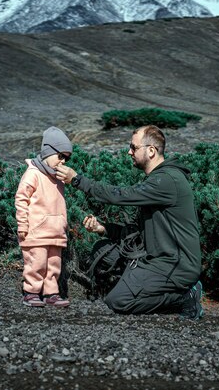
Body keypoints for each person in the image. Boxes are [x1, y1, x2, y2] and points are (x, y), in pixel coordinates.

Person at [55, 125, 203, 319]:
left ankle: (184, 296)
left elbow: (121, 196)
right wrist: (104, 228)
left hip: (176, 264)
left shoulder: (167, 181)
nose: (129, 152)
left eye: (133, 147)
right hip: (156, 258)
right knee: (103, 249)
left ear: (151, 151)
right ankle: (139, 284)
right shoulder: (159, 179)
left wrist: (77, 180)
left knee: (117, 301)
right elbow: (139, 233)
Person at [15, 127, 73, 308]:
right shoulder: (33, 173)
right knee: (36, 263)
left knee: (54, 265)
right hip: (35, 232)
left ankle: (51, 293)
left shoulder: (59, 178)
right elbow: (21, 199)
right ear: (48, 152)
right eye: (60, 156)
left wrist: (63, 225)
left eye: (66, 158)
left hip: (56, 232)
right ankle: (31, 292)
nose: (63, 161)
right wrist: (22, 224)